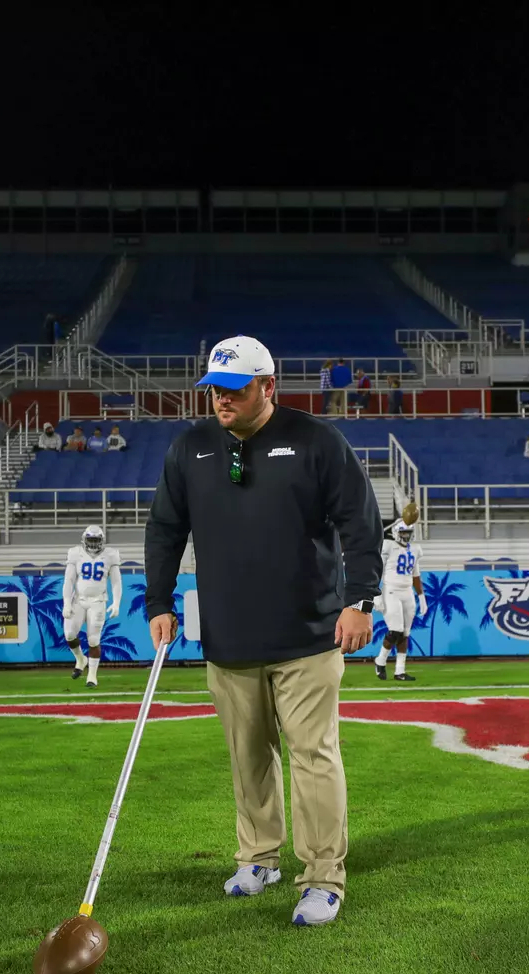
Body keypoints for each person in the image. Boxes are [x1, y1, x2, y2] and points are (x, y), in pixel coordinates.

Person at [144, 335, 381, 927]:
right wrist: (158, 600)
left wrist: (360, 600)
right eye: (215, 390)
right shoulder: (190, 448)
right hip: (228, 638)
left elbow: (360, 520)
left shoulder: (317, 441)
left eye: (236, 389)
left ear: (268, 386)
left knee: (313, 756)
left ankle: (323, 875)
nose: (222, 401)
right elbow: (165, 530)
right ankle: (259, 857)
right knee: (247, 757)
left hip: (308, 635)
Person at [62, 525, 121, 688]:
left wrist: (116, 602)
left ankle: (92, 676)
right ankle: (81, 659)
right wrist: (67, 602)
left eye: (96, 540)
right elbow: (69, 580)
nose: (94, 543)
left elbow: (116, 582)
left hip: (98, 601)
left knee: (94, 639)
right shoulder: (75, 553)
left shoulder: (110, 555)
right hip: (78, 600)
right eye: (91, 540)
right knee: (69, 634)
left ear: (102, 540)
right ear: (84, 540)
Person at [373, 520, 424, 682]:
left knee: (405, 633)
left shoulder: (415, 550)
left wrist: (422, 597)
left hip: (407, 592)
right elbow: (377, 571)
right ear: (396, 532)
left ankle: (399, 671)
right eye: (403, 533)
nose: (405, 536)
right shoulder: (389, 546)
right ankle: (380, 660)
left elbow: (416, 575)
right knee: (395, 630)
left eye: (408, 533)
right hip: (391, 590)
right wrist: (376, 594)